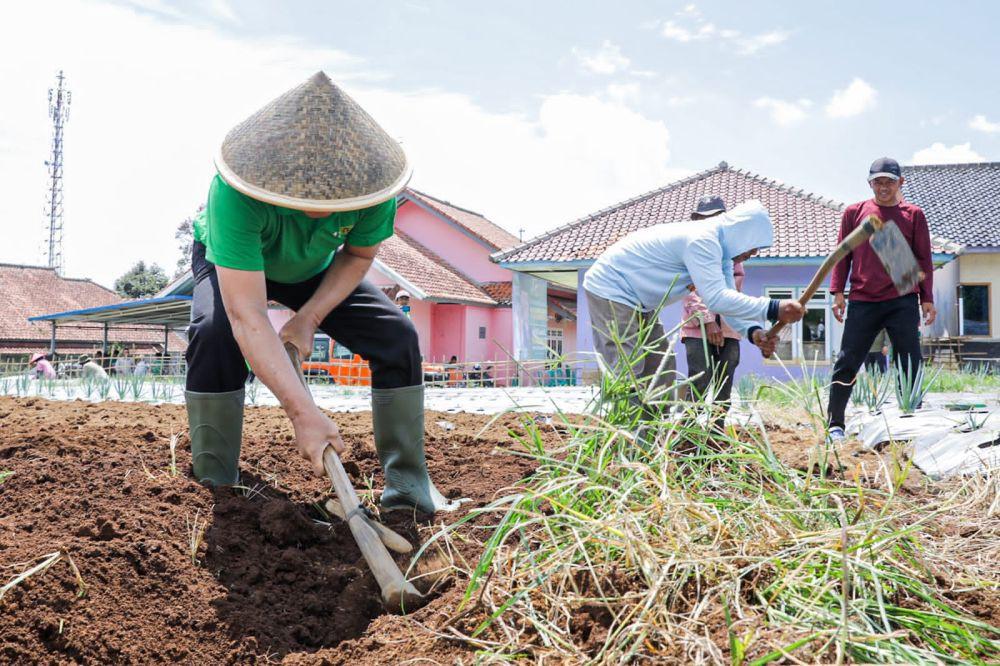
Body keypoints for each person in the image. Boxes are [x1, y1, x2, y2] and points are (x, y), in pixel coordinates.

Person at [184, 72, 458, 513]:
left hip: (313, 268)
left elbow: (356, 256)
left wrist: (308, 317)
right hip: (235, 264)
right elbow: (245, 315)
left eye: (338, 198)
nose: (323, 208)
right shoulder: (234, 195)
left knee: (397, 336)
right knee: (215, 332)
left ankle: (408, 484)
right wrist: (302, 414)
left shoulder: (373, 192)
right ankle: (215, 482)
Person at [582, 199, 805, 402]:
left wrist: (753, 332)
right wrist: (775, 308)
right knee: (628, 372)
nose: (754, 252)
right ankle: (625, 441)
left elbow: (727, 301)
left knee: (661, 369)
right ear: (742, 233)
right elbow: (716, 299)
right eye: (754, 245)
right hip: (612, 289)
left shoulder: (723, 254)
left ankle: (649, 440)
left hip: (640, 303)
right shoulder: (703, 240)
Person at [827, 157, 935, 441]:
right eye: (878, 182)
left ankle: (911, 421)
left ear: (901, 183)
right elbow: (842, 254)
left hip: (903, 299)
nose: (883, 187)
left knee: (909, 360)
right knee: (848, 359)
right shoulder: (855, 212)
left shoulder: (913, 215)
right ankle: (835, 424)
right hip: (863, 299)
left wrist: (927, 298)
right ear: (869, 183)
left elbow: (924, 258)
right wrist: (838, 291)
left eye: (889, 181)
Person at [679, 196, 744, 422]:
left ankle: (717, 434)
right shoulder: (691, 246)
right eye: (707, 218)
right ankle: (688, 435)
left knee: (724, 381)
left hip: (728, 325)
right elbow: (689, 288)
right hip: (697, 327)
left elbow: (730, 287)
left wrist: (719, 321)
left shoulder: (731, 252)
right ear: (697, 220)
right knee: (699, 379)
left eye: (718, 218)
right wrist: (707, 320)